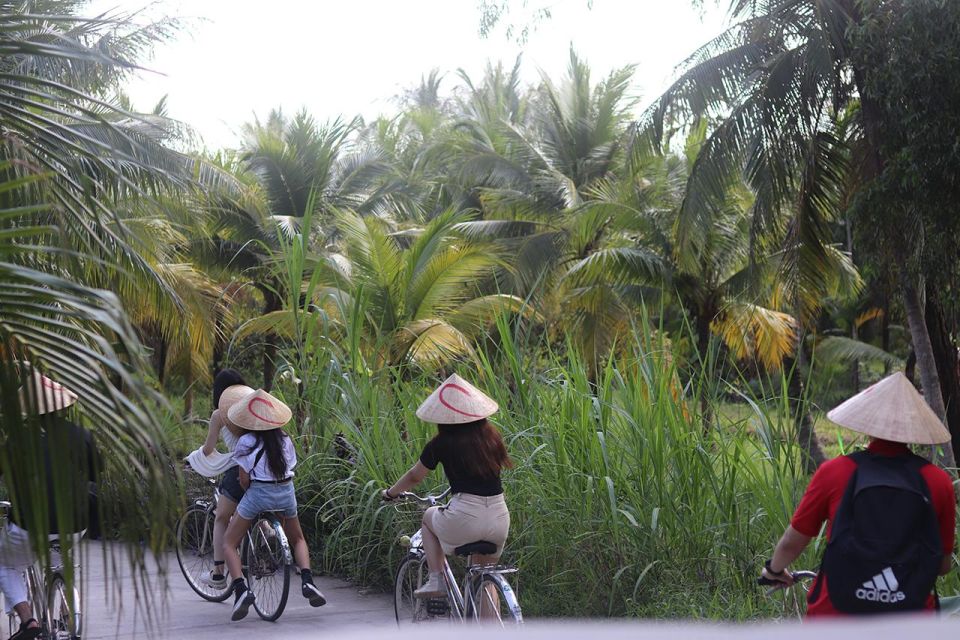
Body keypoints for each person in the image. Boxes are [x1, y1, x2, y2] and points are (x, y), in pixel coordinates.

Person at [761, 372, 955, 617]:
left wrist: (774, 569)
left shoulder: (834, 472)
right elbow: (942, 565)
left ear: (869, 422)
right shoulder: (938, 481)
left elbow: (794, 542)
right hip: (912, 621)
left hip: (835, 617)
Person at [382, 374, 512, 599]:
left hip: (466, 517)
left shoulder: (441, 443)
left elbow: (415, 476)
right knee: (485, 582)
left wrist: (391, 492)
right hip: (499, 517)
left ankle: (436, 580)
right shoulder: (492, 438)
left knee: (428, 517)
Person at [2, 369, 98, 640]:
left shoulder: (18, 441)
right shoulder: (83, 436)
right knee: (59, 561)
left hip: (30, 525)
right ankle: (68, 614)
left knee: (6, 565)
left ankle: (29, 622)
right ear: (63, 407)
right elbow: (93, 476)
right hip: (75, 524)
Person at [221, 388, 326, 621]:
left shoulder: (246, 441)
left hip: (258, 493)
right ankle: (308, 581)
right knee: (297, 538)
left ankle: (240, 590)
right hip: (286, 493)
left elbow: (244, 480)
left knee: (228, 542)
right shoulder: (285, 440)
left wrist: (252, 500)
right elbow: (288, 468)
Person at [185, 369, 254, 590]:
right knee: (254, 511)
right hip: (261, 469)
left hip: (238, 471)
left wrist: (192, 457)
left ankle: (217, 573)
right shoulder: (251, 409)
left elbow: (208, 449)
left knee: (221, 518)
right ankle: (264, 542)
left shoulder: (220, 415)